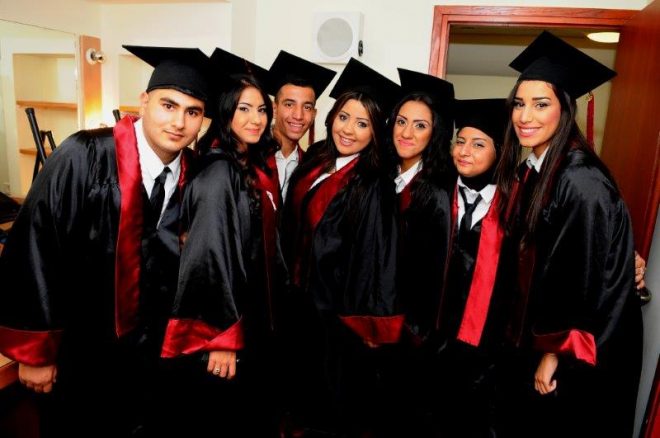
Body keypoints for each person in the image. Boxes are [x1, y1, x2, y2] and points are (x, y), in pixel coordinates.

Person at [0, 46, 211, 437]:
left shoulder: (196, 176)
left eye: (193, 112)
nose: (179, 122)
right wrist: (36, 351)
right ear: (143, 101)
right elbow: (35, 246)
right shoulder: (84, 155)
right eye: (168, 105)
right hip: (83, 355)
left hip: (154, 362)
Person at [496, 31, 643, 437]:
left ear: (565, 109)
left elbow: (579, 280)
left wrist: (552, 354)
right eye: (519, 104)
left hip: (581, 348)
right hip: (545, 335)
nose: (525, 116)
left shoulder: (579, 179)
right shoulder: (535, 170)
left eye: (540, 104)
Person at [160, 47, 284, 437]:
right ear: (225, 111)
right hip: (227, 327)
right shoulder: (218, 173)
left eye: (261, 109)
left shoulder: (247, 165)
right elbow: (209, 256)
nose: (256, 119)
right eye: (244, 109)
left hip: (249, 317)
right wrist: (220, 338)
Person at [280, 57, 402, 436]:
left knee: (327, 401)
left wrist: (369, 322)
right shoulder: (318, 158)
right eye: (344, 117)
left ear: (376, 132)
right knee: (294, 391)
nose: (348, 130)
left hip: (332, 313)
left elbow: (376, 256)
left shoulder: (372, 183)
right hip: (297, 299)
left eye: (362, 124)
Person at [432, 98, 514, 437]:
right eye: (460, 141)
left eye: (478, 144)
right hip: (433, 341)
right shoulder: (435, 194)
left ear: (500, 152)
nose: (464, 151)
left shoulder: (518, 205)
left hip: (488, 349)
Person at [382, 68, 454, 435]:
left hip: (408, 335)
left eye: (420, 126)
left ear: (434, 133)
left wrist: (409, 331)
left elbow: (433, 277)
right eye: (401, 121)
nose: (407, 133)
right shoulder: (385, 179)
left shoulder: (435, 193)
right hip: (376, 324)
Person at [267, 50, 336, 200]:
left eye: (307, 107)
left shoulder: (310, 167)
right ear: (274, 109)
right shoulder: (251, 155)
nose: (298, 115)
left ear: (314, 114)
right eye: (289, 104)